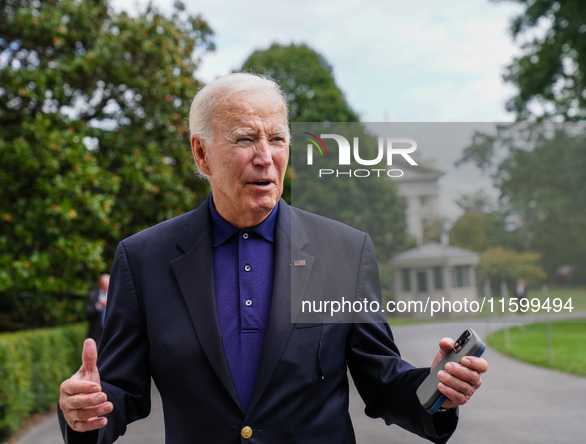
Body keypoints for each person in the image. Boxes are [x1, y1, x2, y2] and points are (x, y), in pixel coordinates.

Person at [58, 73, 488, 444]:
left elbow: (384, 385)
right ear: (201, 153)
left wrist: (437, 390)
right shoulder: (143, 259)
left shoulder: (345, 250)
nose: (265, 156)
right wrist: (83, 411)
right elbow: (116, 394)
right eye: (245, 138)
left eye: (277, 138)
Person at [84, 274, 109, 345]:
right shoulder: (92, 295)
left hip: (111, 332)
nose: (106, 286)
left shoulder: (115, 295)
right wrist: (99, 305)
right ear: (100, 284)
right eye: (104, 284)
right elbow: (88, 314)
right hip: (97, 334)